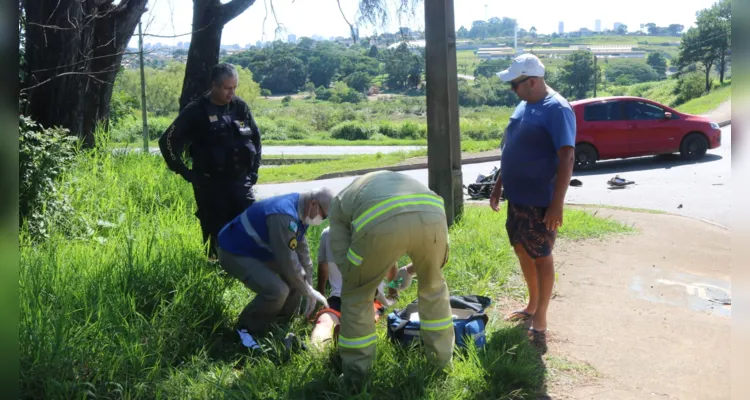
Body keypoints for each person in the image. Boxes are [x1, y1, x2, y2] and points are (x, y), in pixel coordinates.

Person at [327, 170, 454, 384]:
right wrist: (410, 271)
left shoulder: (339, 205)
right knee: (434, 288)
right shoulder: (393, 183)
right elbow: (438, 259)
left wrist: (365, 283)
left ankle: (356, 375)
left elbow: (349, 271)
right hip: (433, 212)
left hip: (379, 224)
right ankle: (441, 364)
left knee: (357, 298)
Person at [488, 53, 576, 352]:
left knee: (541, 255)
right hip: (518, 197)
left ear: (534, 81)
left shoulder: (557, 109)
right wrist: (500, 184)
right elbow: (512, 146)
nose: (512, 90)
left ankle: (541, 322)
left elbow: (567, 157)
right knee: (522, 249)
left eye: (515, 84)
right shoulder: (525, 103)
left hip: (541, 201)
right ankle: (531, 305)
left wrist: (557, 204)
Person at [158, 63, 262, 260]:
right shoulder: (196, 111)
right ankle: (214, 271)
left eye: (234, 88)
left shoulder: (240, 107)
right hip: (210, 185)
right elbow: (167, 142)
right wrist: (185, 172)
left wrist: (254, 171)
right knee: (215, 234)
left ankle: (245, 273)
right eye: (226, 88)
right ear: (214, 85)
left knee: (248, 228)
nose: (231, 92)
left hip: (241, 184)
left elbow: (255, 140)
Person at [216, 188, 333, 350]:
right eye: (324, 215)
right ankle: (245, 330)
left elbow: (303, 256)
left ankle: (281, 323)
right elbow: (288, 262)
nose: (323, 219)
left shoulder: (302, 211)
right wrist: (308, 290)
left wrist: (310, 289)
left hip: (258, 250)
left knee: (299, 280)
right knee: (277, 290)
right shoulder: (284, 215)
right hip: (234, 252)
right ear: (314, 204)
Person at [309, 226, 401, 351]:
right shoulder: (378, 230)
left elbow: (323, 265)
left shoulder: (329, 232)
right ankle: (345, 334)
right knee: (358, 322)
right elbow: (392, 265)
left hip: (340, 298)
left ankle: (315, 351)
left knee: (324, 323)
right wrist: (393, 293)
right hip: (368, 298)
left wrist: (321, 296)